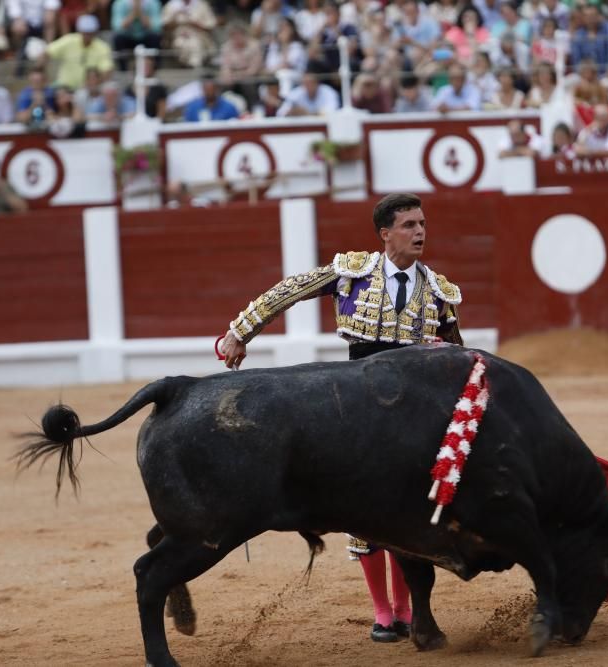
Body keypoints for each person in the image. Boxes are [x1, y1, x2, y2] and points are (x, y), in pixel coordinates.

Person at [220, 193, 464, 643]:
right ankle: (384, 612)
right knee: (362, 505)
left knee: (409, 509)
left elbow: (459, 356)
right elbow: (291, 289)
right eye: (409, 225)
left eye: (422, 223)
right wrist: (239, 331)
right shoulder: (354, 272)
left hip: (412, 413)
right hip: (357, 403)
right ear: (385, 234)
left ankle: (407, 610)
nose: (420, 232)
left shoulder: (440, 291)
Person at [44, 14, 113, 90]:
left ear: (95, 32)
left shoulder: (102, 47)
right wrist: (45, 77)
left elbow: (106, 71)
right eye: (85, 32)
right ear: (79, 31)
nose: (87, 36)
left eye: (90, 33)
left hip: (88, 90)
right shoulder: (69, 40)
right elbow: (46, 53)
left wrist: (95, 85)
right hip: (64, 87)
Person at [571, 1, 608, 80]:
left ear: (599, 16)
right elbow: (576, 60)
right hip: (585, 75)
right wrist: (583, 74)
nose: (590, 19)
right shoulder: (578, 34)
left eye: (593, 16)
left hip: (607, 74)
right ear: (583, 18)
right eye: (587, 16)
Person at [161, 0, 217, 68]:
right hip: (177, 37)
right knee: (180, 43)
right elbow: (164, 25)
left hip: (199, 37)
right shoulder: (171, 5)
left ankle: (195, 70)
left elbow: (210, 26)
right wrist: (175, 18)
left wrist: (195, 24)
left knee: (195, 44)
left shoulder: (201, 5)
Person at [111, 0, 162, 72]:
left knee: (155, 37)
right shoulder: (119, 3)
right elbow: (117, 27)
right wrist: (134, 13)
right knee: (118, 39)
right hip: (127, 37)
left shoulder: (154, 3)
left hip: (146, 37)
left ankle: (154, 69)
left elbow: (156, 28)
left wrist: (140, 13)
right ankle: (123, 71)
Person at [275, 65, 340, 116]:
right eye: (305, 83)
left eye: (311, 83)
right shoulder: (296, 93)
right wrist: (291, 112)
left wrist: (308, 113)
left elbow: (332, 111)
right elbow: (280, 113)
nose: (308, 86)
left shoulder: (328, 92)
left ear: (317, 83)